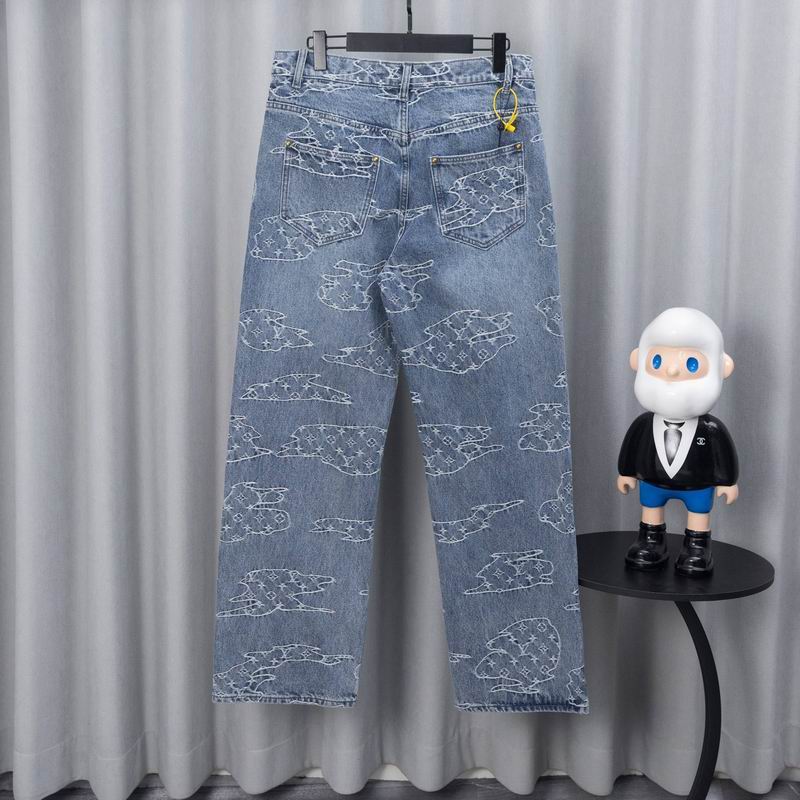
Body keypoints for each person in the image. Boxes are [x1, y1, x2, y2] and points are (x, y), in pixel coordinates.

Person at [617, 307, 739, 575]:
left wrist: (727, 482)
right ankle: (651, 541)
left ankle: (697, 547)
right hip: (653, 482)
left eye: (691, 364)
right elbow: (632, 448)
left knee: (698, 514)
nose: (672, 371)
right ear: (637, 360)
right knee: (650, 507)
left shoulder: (710, 429)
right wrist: (626, 473)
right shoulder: (644, 424)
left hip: (697, 485)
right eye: (657, 361)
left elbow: (723, 454)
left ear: (723, 367)